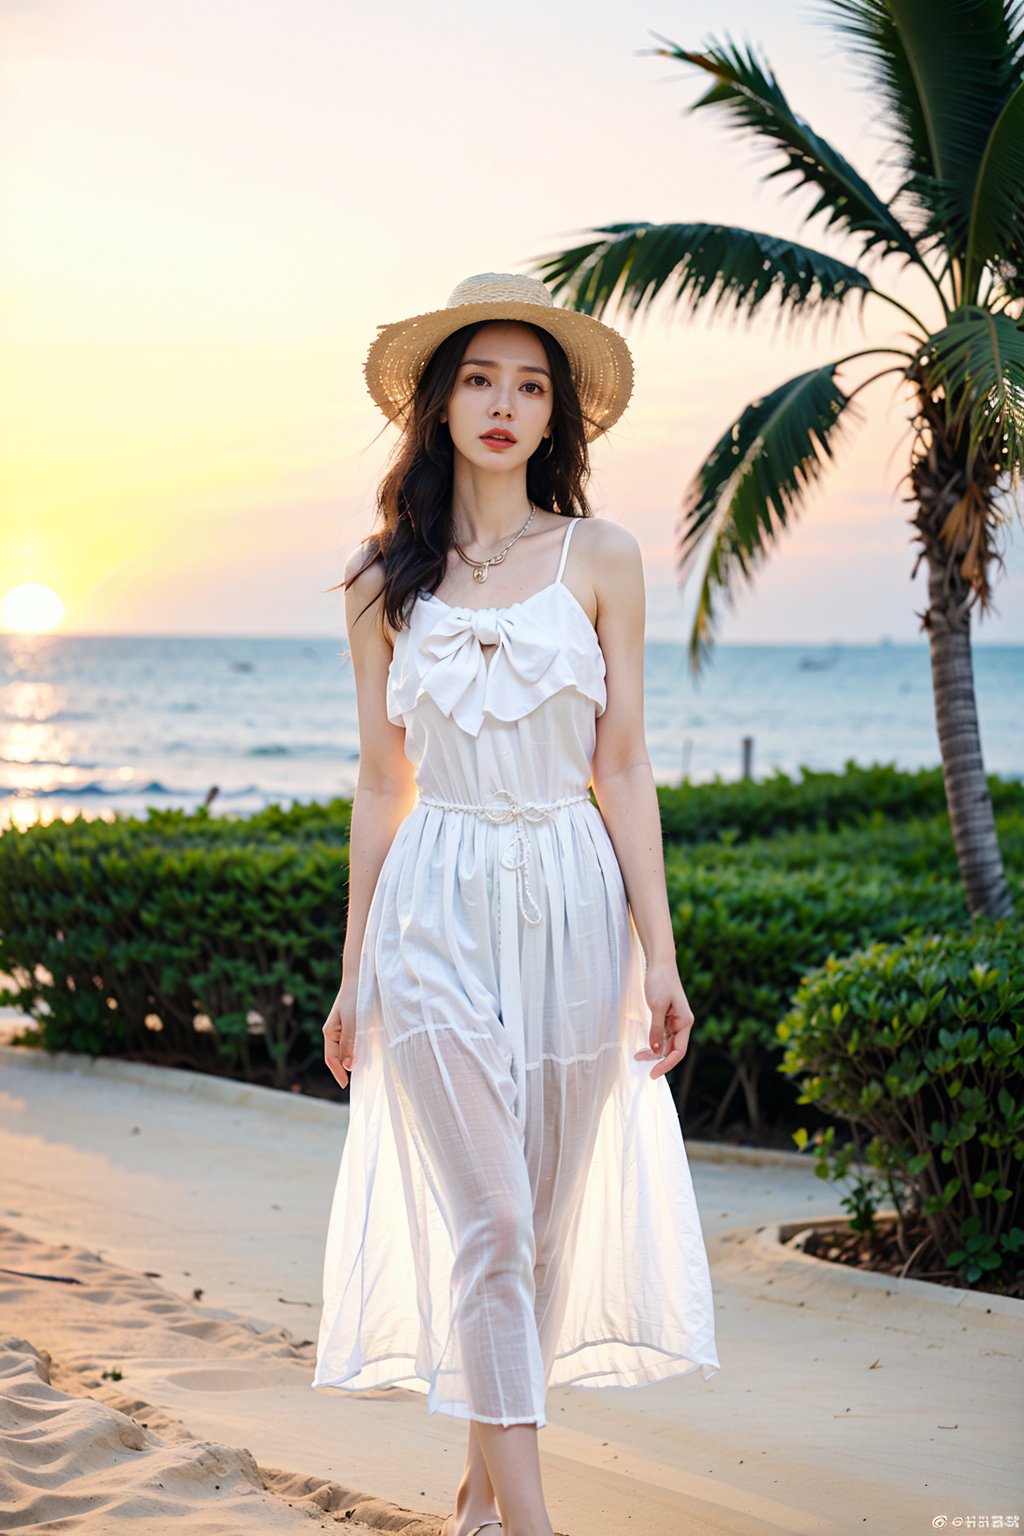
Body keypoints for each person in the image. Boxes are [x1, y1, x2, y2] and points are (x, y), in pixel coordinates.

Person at [313, 272, 720, 1536]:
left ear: (557, 420)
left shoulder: (600, 557)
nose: (503, 403)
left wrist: (661, 955)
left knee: (531, 1235)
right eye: (480, 379)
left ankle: (482, 1503)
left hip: (573, 906)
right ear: (439, 406)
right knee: (487, 1214)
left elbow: (625, 763)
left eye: (530, 385)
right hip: (430, 903)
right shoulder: (382, 582)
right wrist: (349, 973)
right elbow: (382, 788)